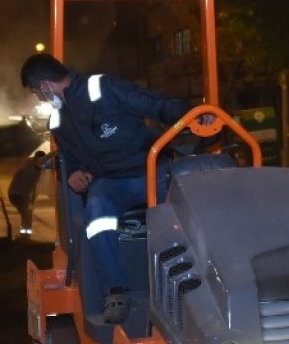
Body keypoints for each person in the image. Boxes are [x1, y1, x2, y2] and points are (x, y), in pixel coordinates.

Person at [19, 53, 196, 324]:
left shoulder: (104, 88)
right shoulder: (57, 121)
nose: (41, 99)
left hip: (152, 170)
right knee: (97, 211)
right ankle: (116, 290)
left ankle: (195, 285)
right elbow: (73, 159)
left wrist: (194, 117)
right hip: (111, 183)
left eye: (37, 93)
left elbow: (157, 104)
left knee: (185, 209)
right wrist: (75, 174)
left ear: (45, 86)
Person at [7, 150, 52, 238]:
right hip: (16, 195)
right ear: (37, 159)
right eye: (42, 161)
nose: (43, 163)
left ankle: (26, 235)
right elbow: (25, 186)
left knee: (27, 214)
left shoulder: (34, 165)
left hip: (22, 194)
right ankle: (24, 236)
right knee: (26, 214)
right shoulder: (28, 169)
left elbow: (47, 164)